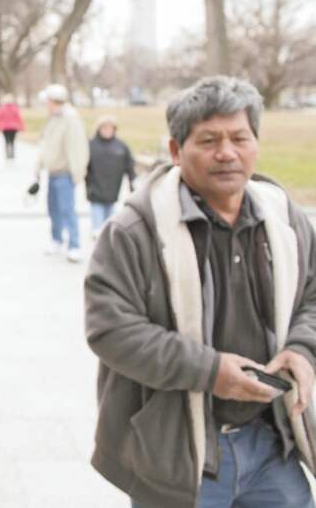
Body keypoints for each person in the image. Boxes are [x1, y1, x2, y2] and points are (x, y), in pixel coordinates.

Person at [85, 76, 316, 508]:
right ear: (175, 151)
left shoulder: (283, 217)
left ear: (256, 144)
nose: (226, 152)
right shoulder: (136, 230)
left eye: (239, 138)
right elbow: (110, 331)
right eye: (208, 140)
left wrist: (303, 347)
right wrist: (210, 371)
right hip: (179, 451)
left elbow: (313, 294)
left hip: (274, 444)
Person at [34, 84, 89, 262]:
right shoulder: (53, 118)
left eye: (47, 101)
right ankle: (56, 240)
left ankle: (74, 245)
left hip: (65, 173)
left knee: (67, 210)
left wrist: (77, 172)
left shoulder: (70, 119)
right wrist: (38, 167)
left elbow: (76, 147)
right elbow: (46, 145)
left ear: (53, 101)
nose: (46, 105)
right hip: (53, 172)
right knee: (53, 209)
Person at [85, 115, 136, 238]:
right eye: (104, 128)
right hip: (95, 189)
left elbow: (129, 165)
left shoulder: (121, 146)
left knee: (109, 218)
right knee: (97, 220)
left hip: (113, 190)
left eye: (110, 128)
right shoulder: (91, 145)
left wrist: (132, 182)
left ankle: (107, 236)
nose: (107, 131)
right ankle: (97, 234)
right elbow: (83, 165)